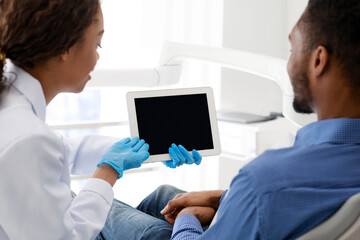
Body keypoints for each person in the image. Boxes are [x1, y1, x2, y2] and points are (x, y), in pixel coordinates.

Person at [125, 0, 360, 239]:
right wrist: (222, 198)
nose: (288, 64)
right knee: (163, 194)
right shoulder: (275, 183)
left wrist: (188, 218)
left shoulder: (264, 179)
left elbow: (268, 195)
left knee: (107, 211)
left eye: (291, 50)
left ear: (318, 61)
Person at [0, 1, 201, 239]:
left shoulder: (13, 105)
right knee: (160, 227)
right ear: (65, 46)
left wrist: (148, 148)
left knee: (164, 196)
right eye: (97, 44)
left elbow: (60, 152)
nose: (97, 57)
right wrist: (108, 170)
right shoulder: (26, 136)